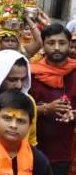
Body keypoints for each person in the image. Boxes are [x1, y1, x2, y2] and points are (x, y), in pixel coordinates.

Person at [30, 23, 76, 175]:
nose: (56, 47)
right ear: (43, 45)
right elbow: (17, 109)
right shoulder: (31, 73)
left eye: (62, 43)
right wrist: (45, 109)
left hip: (65, 151)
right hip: (33, 148)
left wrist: (73, 115)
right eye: (51, 43)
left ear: (69, 45)